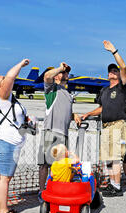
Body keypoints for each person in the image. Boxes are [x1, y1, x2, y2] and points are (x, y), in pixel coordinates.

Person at [81, 40, 126, 197]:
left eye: (114, 71)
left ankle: (117, 186)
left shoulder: (122, 87)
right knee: (108, 157)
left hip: (117, 124)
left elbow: (123, 67)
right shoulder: (105, 91)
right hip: (106, 125)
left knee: (115, 157)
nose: (111, 73)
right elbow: (102, 108)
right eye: (110, 71)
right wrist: (88, 114)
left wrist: (114, 51)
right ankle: (111, 182)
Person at [0, 58, 32, 213]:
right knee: (5, 177)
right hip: (8, 142)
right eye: (3, 80)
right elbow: (11, 77)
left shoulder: (8, 100)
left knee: (2, 175)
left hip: (11, 141)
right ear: (0, 86)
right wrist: (20, 64)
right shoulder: (3, 96)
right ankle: (4, 211)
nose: (6, 81)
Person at [38, 62, 82, 202]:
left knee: (59, 165)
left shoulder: (68, 94)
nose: (65, 74)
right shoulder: (52, 89)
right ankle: (41, 191)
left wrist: (73, 114)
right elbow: (46, 76)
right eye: (63, 72)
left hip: (63, 134)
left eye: (66, 72)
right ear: (56, 76)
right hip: (51, 131)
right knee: (45, 164)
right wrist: (59, 68)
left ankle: (55, 189)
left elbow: (64, 110)